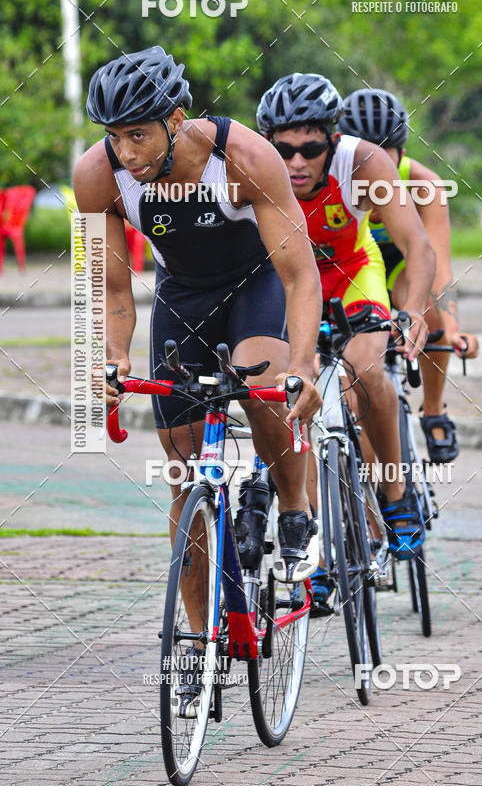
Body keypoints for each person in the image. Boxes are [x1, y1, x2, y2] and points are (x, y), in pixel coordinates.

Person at [74, 46, 323, 588]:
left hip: (255, 284)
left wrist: (303, 363)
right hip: (182, 295)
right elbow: (113, 287)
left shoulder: (244, 158)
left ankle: (296, 509)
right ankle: (193, 653)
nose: (126, 152)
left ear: (176, 120)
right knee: (182, 472)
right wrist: (112, 358)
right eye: (114, 136)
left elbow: (300, 276)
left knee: (263, 385)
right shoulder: (96, 177)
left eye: (138, 134)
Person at [256, 72, 436, 606]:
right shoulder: (251, 167)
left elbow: (417, 244)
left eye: (310, 148)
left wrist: (412, 310)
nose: (296, 163)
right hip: (288, 283)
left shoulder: (362, 163)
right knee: (295, 396)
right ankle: (311, 539)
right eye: (283, 149)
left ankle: (396, 492)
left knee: (367, 367)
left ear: (332, 139)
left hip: (352, 272)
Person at [339, 88, 479, 463]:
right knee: (354, 392)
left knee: (430, 309)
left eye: (385, 157)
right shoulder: (332, 176)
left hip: (401, 268)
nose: (375, 170)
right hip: (352, 269)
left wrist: (451, 329)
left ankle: (433, 408)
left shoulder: (425, 185)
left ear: (401, 152)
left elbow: (439, 267)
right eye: (366, 157)